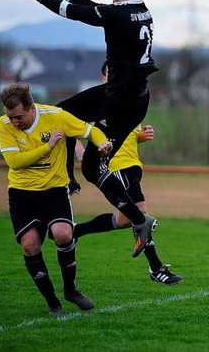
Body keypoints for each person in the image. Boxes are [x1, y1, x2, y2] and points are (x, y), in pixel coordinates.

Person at [21, 0, 158, 258]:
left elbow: (76, 13)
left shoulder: (119, 13)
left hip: (118, 100)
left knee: (77, 139)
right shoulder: (140, 11)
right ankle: (136, 219)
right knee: (77, 136)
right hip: (134, 100)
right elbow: (94, 8)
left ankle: (132, 217)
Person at [0, 82, 113, 317]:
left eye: (18, 117)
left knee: (64, 234)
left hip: (54, 190)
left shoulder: (56, 116)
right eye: (10, 117)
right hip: (21, 193)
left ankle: (70, 290)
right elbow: (15, 162)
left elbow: (90, 131)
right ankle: (52, 302)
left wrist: (102, 143)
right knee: (30, 246)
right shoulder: (4, 124)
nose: (14, 122)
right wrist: (48, 147)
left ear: (31, 108)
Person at [72, 62, 183, 285]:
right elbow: (69, 126)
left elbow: (127, 135)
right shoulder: (97, 100)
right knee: (140, 215)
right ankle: (156, 268)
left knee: (125, 219)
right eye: (111, 75)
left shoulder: (126, 100)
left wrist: (141, 136)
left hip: (133, 165)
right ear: (103, 78)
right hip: (116, 166)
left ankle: (76, 232)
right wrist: (82, 153)